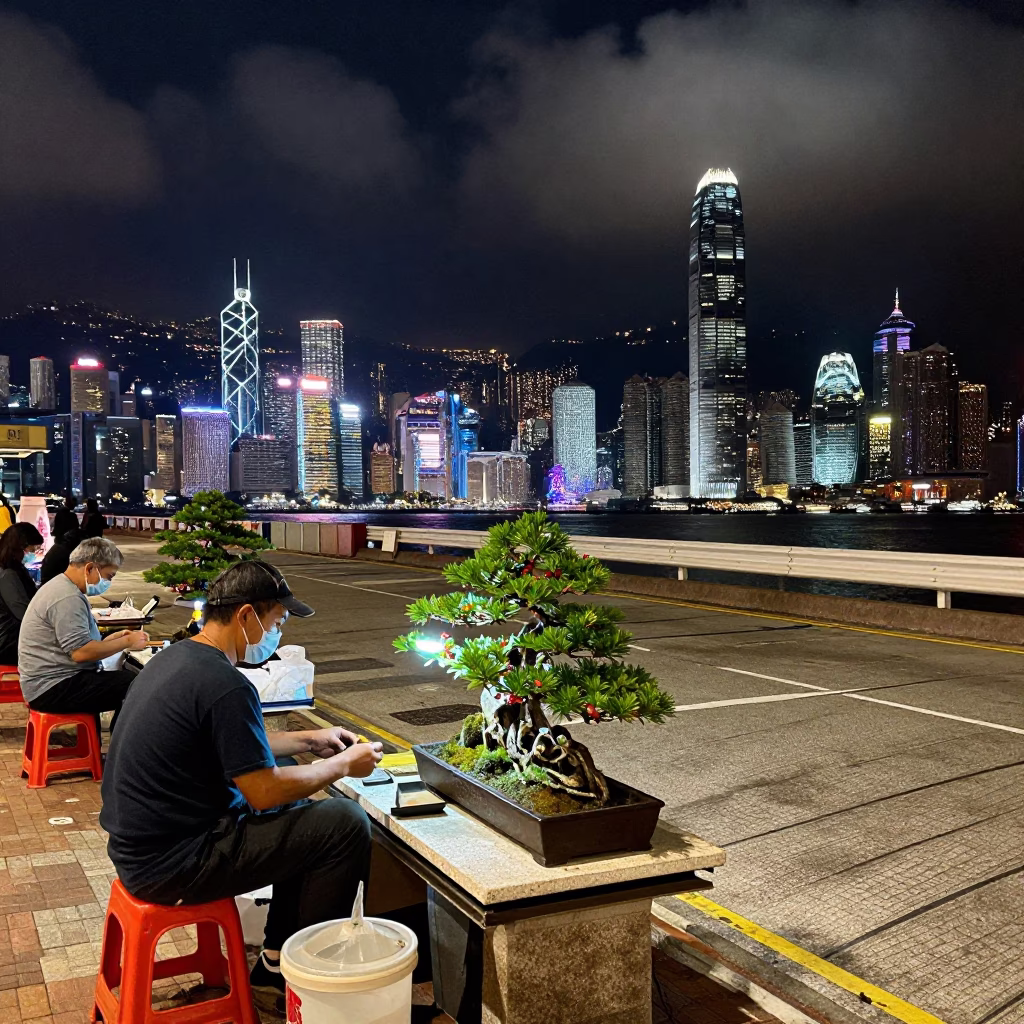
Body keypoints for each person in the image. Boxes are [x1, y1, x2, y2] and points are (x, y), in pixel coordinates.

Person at [100, 560, 381, 1013]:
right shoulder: (223, 683)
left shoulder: (178, 657)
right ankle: (308, 977)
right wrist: (345, 765)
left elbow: (231, 742)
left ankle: (272, 961)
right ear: (247, 615)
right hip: (176, 863)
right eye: (277, 622)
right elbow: (263, 791)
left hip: (141, 848)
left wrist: (312, 738)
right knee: (342, 824)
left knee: (291, 778)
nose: (278, 634)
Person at [18, 537, 148, 730]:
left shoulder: (63, 587)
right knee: (138, 684)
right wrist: (127, 641)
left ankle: (117, 748)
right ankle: (123, 752)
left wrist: (108, 641)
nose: (107, 582)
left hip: (50, 681)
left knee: (129, 681)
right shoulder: (67, 597)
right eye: (108, 576)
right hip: (51, 687)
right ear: (89, 568)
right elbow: (81, 653)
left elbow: (80, 643)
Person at [0, 523, 44, 664]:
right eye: (33, 548)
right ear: (20, 547)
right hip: (9, 641)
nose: (35, 552)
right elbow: (23, 612)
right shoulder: (8, 575)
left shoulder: (15, 568)